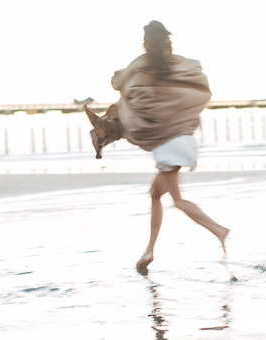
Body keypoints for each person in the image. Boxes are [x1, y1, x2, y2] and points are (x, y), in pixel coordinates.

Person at [85, 21, 229, 269]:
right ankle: (149, 251)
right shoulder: (179, 65)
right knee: (155, 195)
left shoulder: (143, 67)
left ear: (146, 43)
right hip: (180, 139)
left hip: (168, 143)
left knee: (177, 200)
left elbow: (126, 84)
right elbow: (193, 88)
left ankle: (219, 230)